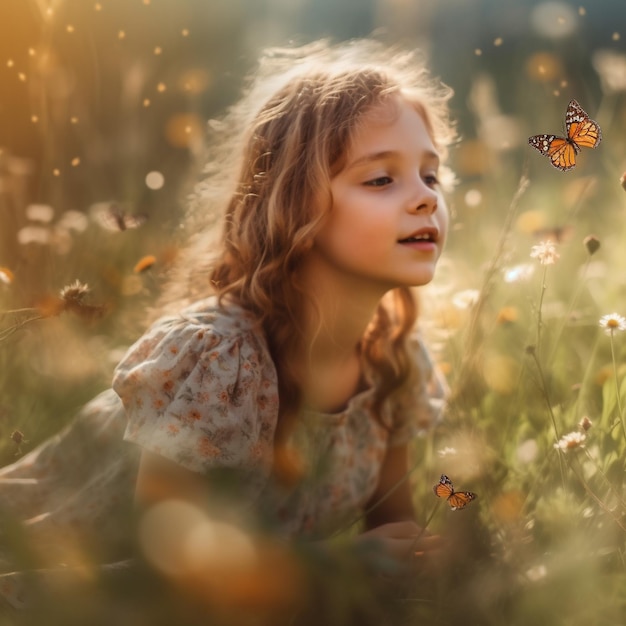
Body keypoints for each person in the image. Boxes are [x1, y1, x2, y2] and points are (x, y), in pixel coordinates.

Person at [0, 38, 453, 618]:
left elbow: (396, 534)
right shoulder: (219, 359)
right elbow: (168, 562)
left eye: (431, 177)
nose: (424, 200)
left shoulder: (396, 362)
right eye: (381, 180)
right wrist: (334, 568)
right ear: (296, 206)